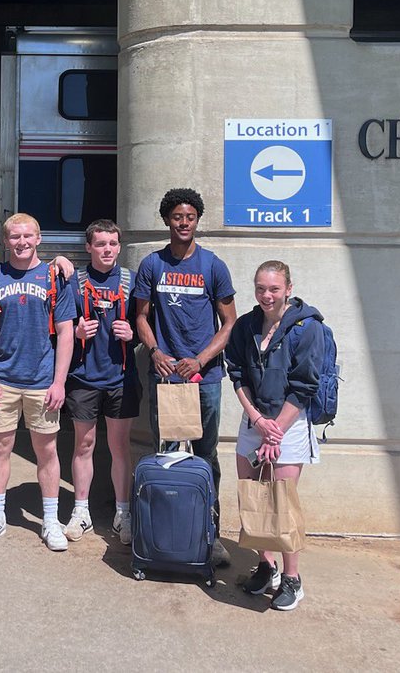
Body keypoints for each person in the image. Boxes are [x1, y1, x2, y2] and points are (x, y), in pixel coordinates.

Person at [132, 187, 237, 566]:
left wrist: (200, 359)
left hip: (203, 380)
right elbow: (141, 317)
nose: (184, 223)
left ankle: (211, 536)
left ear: (197, 220)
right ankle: (164, 535)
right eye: (177, 217)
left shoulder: (213, 266)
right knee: (167, 457)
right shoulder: (152, 265)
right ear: (166, 220)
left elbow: (229, 324)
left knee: (206, 456)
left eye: (190, 217)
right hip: (165, 377)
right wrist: (156, 351)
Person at [0, 213, 75, 551]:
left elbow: (66, 333)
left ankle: (50, 521)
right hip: (3, 379)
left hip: (43, 379)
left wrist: (59, 382)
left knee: (47, 451)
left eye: (28, 235)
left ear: (39, 238)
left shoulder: (54, 276)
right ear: (5, 241)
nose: (22, 242)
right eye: (15, 237)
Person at [225, 260, 322, 611]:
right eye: (261, 288)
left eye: (274, 289)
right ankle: (267, 566)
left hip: (289, 424)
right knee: (253, 496)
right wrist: (255, 419)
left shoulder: (306, 328)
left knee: (282, 503)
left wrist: (275, 430)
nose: (267, 295)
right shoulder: (247, 325)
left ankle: (293, 578)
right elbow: (236, 373)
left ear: (288, 289)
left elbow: (304, 385)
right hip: (255, 422)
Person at [63, 219, 139, 545]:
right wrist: (77, 332)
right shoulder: (75, 282)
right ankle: (81, 511)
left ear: (119, 247)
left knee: (120, 447)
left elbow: (146, 325)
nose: (107, 249)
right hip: (83, 377)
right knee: (84, 445)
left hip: (121, 377)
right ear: (88, 247)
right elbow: (61, 326)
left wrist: (133, 334)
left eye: (112, 243)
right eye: (100, 244)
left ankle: (124, 513)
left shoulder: (131, 282)